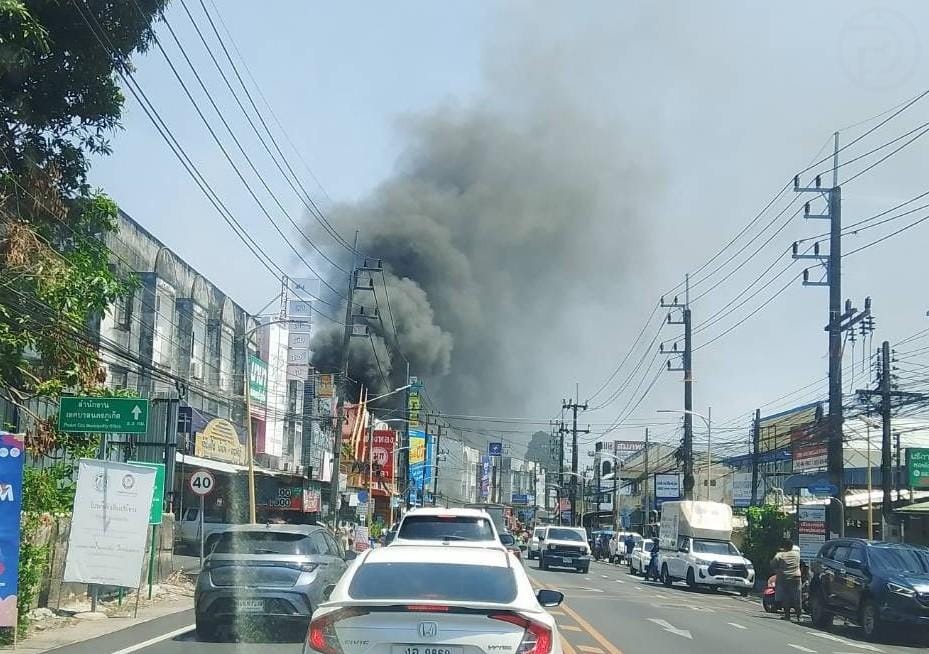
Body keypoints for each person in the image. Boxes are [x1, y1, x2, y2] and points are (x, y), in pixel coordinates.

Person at [771, 538, 803, 622]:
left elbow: (773, 564)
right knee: (797, 597)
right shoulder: (797, 554)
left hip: (784, 578)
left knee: (786, 598)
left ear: (784, 547)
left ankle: (787, 616)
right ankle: (799, 616)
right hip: (796, 577)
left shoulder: (780, 555)